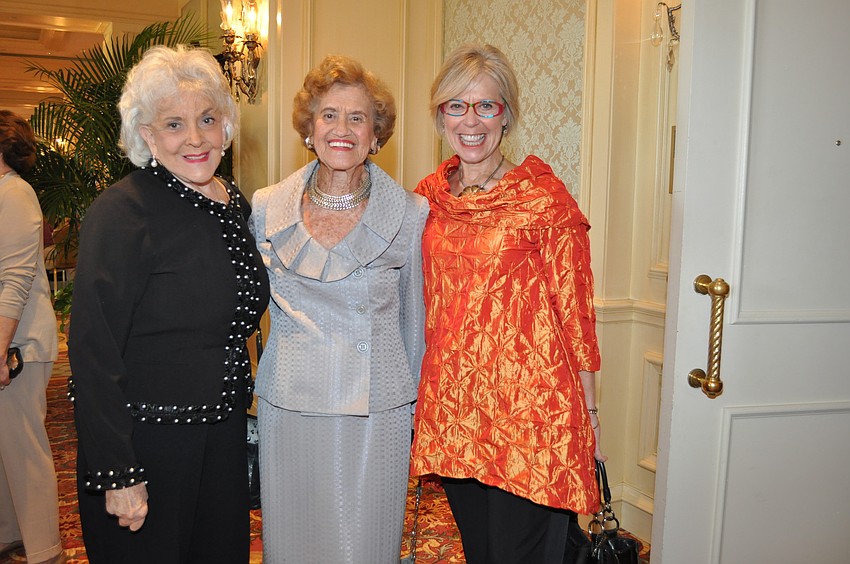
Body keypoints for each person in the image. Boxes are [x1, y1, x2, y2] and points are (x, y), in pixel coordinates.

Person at [68, 45, 270, 563]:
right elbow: (93, 354)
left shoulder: (231, 200)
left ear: (227, 124)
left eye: (207, 118)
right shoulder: (121, 212)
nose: (196, 138)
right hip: (146, 447)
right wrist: (118, 473)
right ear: (146, 135)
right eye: (174, 124)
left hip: (222, 442)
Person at [409, 44, 606, 564]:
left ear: (507, 115)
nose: (470, 120)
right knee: (481, 552)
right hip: (455, 410)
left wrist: (590, 415)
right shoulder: (425, 198)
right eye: (457, 105)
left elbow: (576, 314)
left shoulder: (543, 199)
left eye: (486, 106)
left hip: (532, 415)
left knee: (518, 554)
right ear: (440, 115)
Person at [250, 54, 429, 563]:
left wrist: (415, 411)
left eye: (358, 117)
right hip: (290, 403)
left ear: (376, 134)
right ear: (309, 128)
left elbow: (413, 325)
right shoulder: (267, 207)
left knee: (365, 546)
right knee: (292, 542)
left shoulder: (410, 214)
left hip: (376, 409)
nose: (342, 129)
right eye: (329, 115)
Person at [0, 110, 65, 564]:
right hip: (9, 341)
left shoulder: (15, 193)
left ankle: (45, 551)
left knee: (24, 450)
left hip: (17, 343)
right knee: (7, 447)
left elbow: (16, 279)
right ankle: (10, 533)